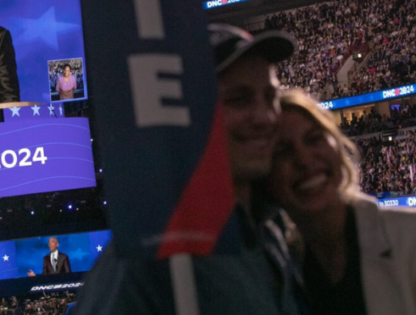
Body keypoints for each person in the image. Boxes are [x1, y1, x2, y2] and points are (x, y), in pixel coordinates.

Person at [73, 25, 306, 315]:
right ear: (187, 114)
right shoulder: (149, 255)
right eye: (238, 99)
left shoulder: (271, 230)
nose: (265, 117)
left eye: (271, 96)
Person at [266, 89, 416, 315]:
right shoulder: (276, 270)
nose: (304, 159)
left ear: (337, 146)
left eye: (314, 139)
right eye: (283, 151)